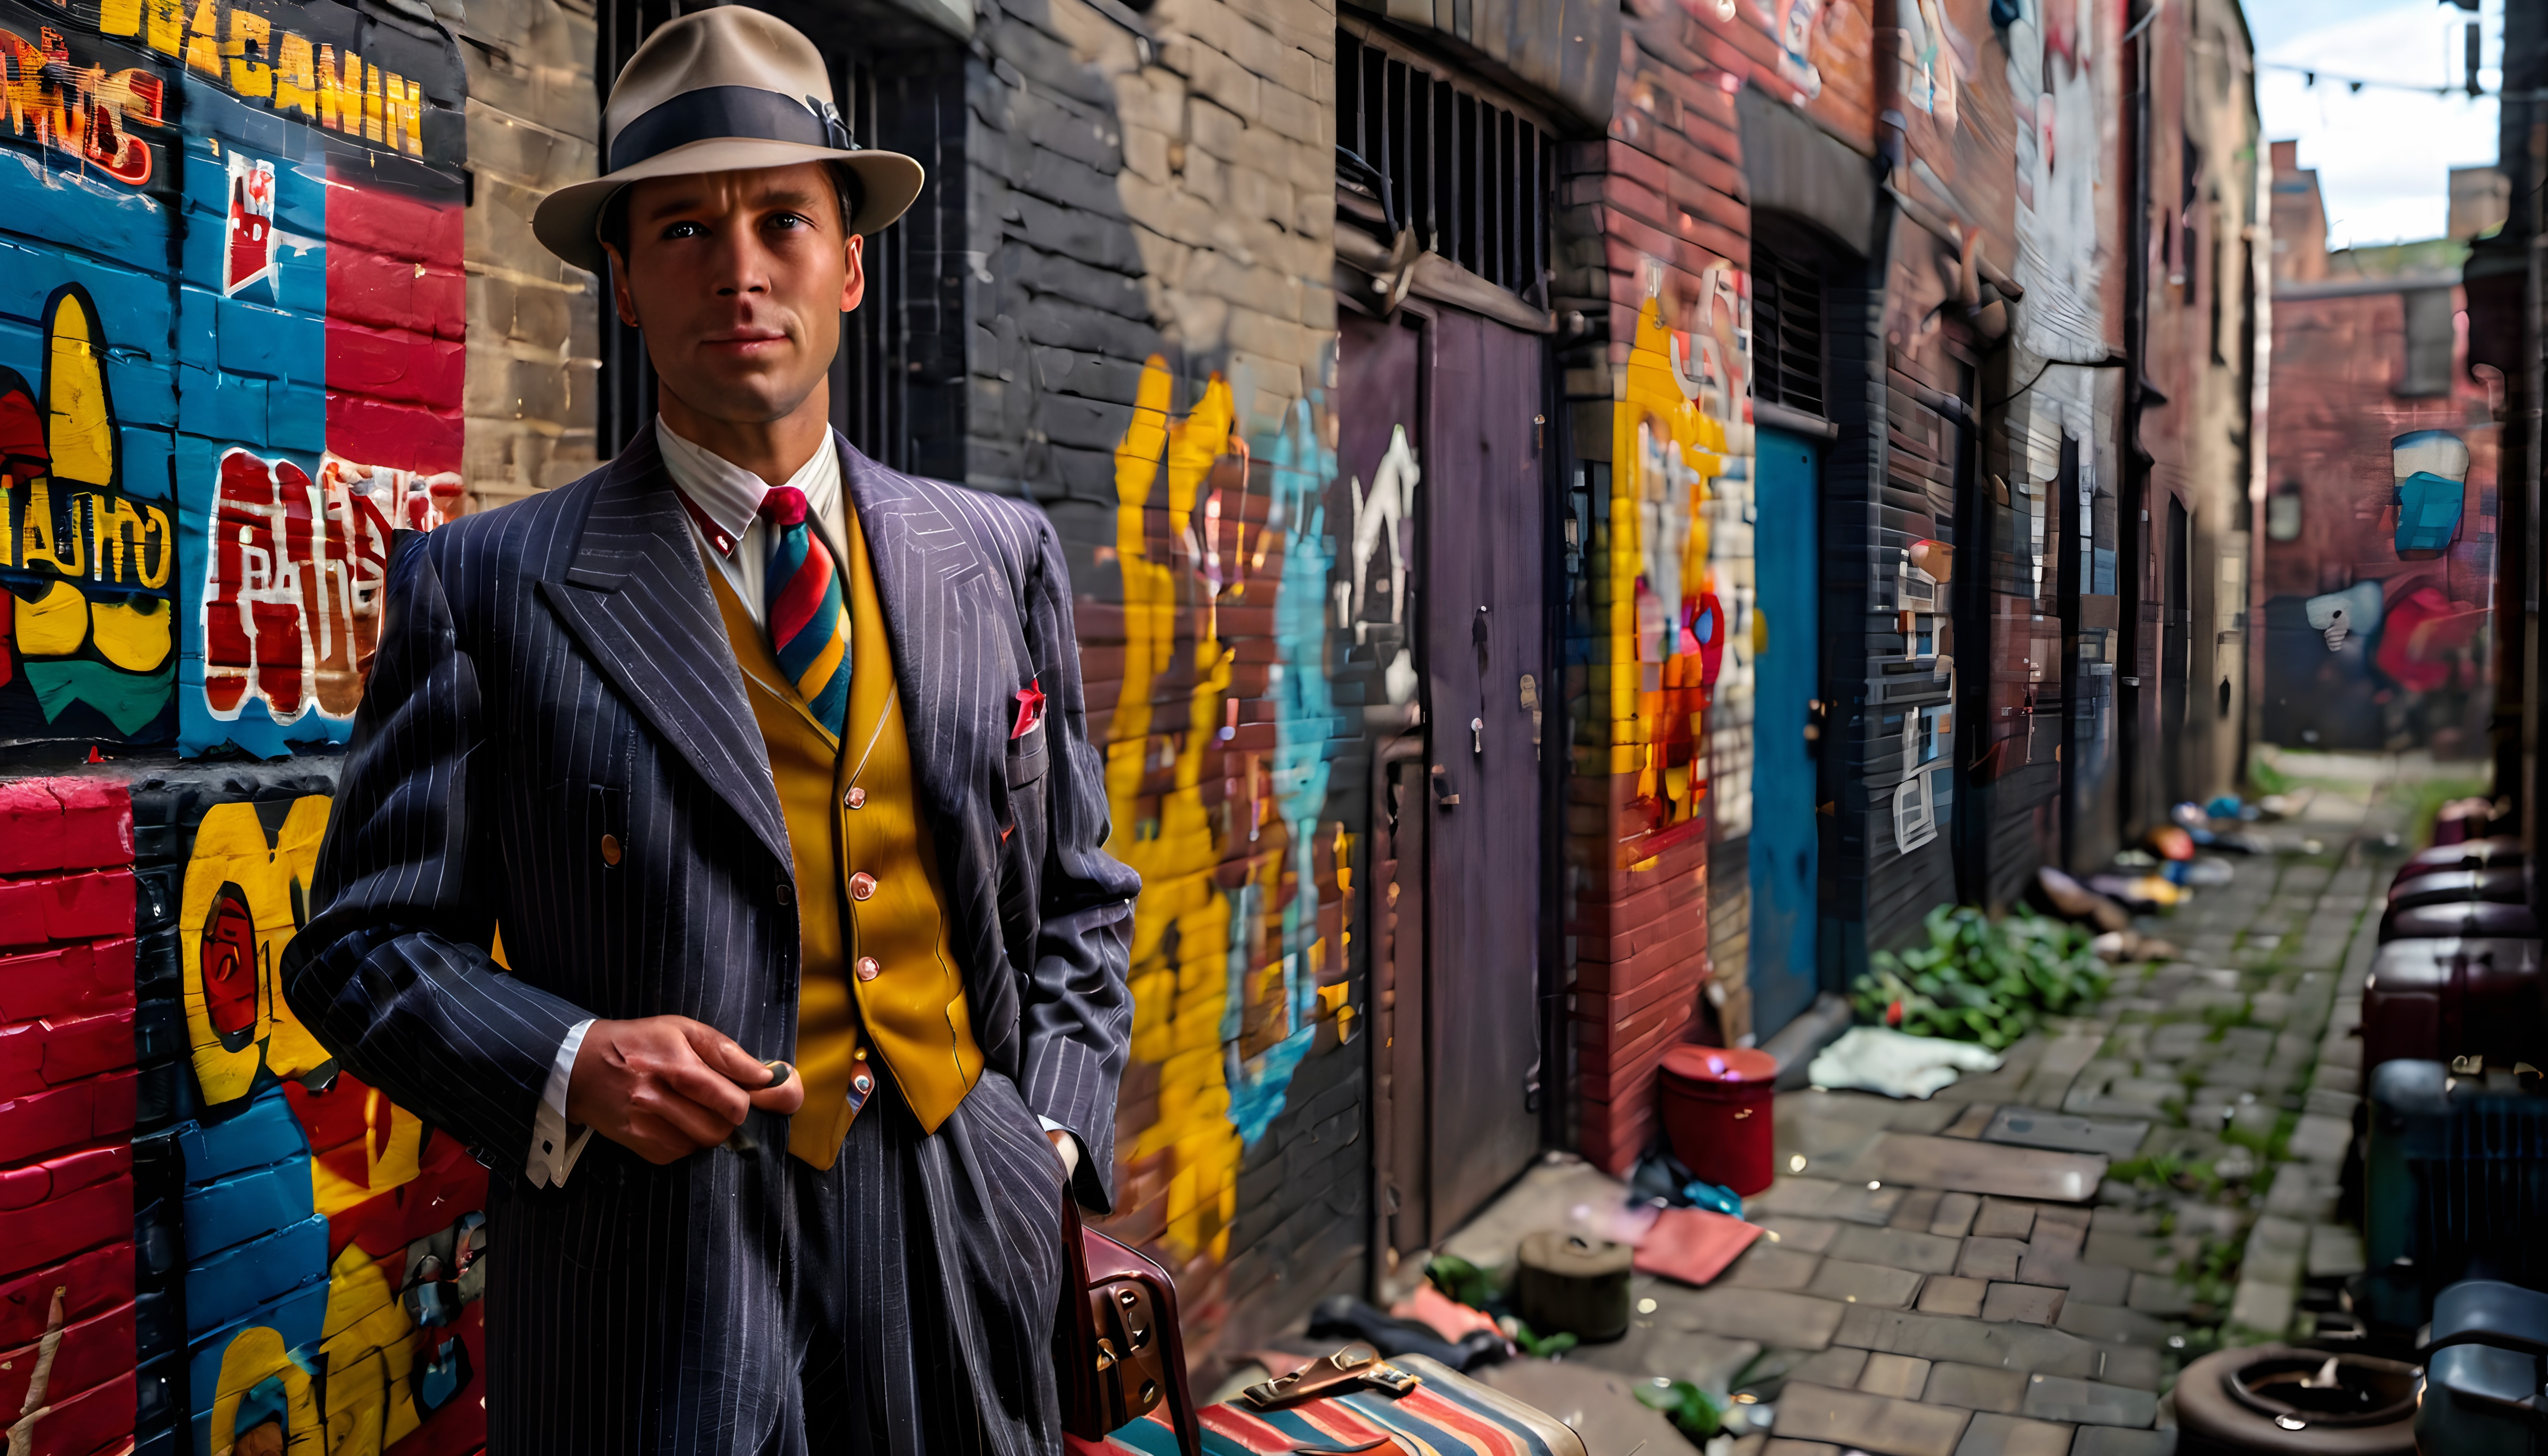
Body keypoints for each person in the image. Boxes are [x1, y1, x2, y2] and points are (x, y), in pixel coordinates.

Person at [282, 9, 1140, 1452]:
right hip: (653, 1281)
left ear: (852, 265)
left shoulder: (996, 556)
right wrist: (572, 1062)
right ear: (621, 280)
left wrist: (1040, 1143)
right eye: (682, 230)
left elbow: (1081, 897)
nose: (738, 269)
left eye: (782, 223)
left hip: (958, 1224)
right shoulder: (488, 586)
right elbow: (357, 948)